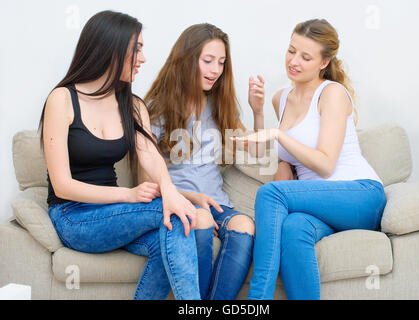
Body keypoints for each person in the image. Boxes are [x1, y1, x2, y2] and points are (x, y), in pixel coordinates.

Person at [39, 10, 202, 300]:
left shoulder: (132, 104)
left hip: (114, 215)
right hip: (74, 216)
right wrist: (128, 195)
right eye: (136, 48)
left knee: (171, 233)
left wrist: (169, 190)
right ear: (110, 48)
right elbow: (63, 185)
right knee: (177, 216)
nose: (143, 58)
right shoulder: (62, 99)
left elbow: (149, 154)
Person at [233, 19, 387, 300]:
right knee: (294, 229)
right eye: (291, 51)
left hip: (360, 196)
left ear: (323, 62)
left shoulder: (332, 94)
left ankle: (258, 300)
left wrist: (278, 136)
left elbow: (326, 164)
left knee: (270, 194)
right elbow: (266, 157)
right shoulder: (281, 98)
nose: (294, 61)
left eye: (306, 57)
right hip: (320, 209)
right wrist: (257, 112)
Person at [142, 23, 264, 299]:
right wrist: (192, 197)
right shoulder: (157, 110)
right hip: (180, 202)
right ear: (186, 60)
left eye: (221, 62)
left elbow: (257, 153)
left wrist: (258, 113)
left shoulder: (219, 105)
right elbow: (146, 180)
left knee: (245, 225)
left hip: (216, 202)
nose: (215, 70)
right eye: (207, 61)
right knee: (202, 218)